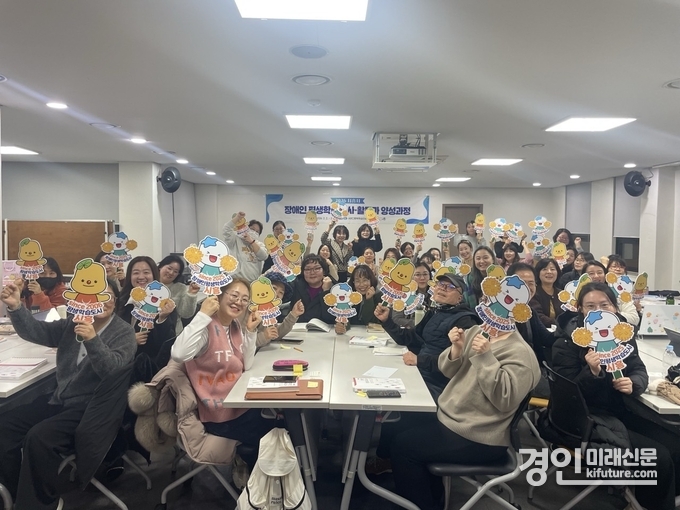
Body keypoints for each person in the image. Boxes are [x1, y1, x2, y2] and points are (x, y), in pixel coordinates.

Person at [0, 279, 136, 510]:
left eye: (107, 296)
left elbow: (112, 372)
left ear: (115, 301)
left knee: (39, 438)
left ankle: (42, 503)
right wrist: (15, 307)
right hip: (60, 399)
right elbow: (38, 332)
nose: (101, 302)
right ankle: (12, 494)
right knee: (6, 425)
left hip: (92, 408)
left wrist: (92, 340)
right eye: (93, 295)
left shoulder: (124, 332)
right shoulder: (73, 323)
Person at [388, 316, 540, 510]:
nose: (489, 311)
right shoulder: (477, 331)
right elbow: (447, 370)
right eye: (487, 303)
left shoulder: (521, 354)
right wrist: (456, 348)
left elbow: (505, 399)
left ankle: (421, 504)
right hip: (452, 418)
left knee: (403, 448)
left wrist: (485, 357)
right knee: (401, 425)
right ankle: (432, 500)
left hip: (480, 435)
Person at [551, 282, 679, 510]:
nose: (598, 311)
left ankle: (658, 501)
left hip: (619, 410)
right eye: (590, 306)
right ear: (580, 309)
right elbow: (567, 394)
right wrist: (591, 373)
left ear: (614, 307)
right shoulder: (568, 341)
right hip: (586, 419)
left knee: (675, 445)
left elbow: (638, 368)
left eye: (605, 304)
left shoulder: (621, 334)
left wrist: (634, 383)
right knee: (657, 457)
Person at [170, 278, 273, 469]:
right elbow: (178, 354)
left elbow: (247, 365)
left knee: (284, 418)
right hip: (219, 415)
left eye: (244, 299)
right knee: (276, 433)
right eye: (234, 295)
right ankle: (251, 476)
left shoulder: (234, 326)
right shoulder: (206, 328)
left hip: (240, 403)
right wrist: (202, 315)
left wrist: (250, 332)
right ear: (218, 295)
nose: (239, 302)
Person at [374, 273, 481, 399]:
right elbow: (410, 338)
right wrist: (387, 321)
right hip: (418, 372)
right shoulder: (435, 312)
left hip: (439, 385)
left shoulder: (465, 321)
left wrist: (419, 360)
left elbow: (458, 363)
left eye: (450, 287)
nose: (442, 288)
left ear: (460, 298)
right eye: (440, 284)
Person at [116, 256, 177, 367]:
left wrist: (162, 318)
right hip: (119, 365)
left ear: (154, 274)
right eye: (136, 273)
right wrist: (129, 340)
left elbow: (166, 343)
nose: (141, 277)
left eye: (146, 272)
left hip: (148, 367)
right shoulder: (120, 300)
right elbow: (109, 335)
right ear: (130, 276)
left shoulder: (165, 304)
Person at [507, 262, 557, 370]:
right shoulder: (500, 314)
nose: (527, 288)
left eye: (531, 283)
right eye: (521, 283)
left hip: (532, 368)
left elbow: (546, 338)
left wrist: (568, 325)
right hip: (511, 370)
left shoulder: (530, 312)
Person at [583, 261, 639, 325]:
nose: (596, 276)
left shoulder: (620, 292)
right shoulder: (577, 295)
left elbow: (634, 319)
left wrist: (609, 313)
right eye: (591, 273)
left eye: (599, 272)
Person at [158, 254, 199, 335]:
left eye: (175, 271)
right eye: (169, 268)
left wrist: (191, 294)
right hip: (148, 332)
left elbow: (186, 314)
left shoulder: (180, 288)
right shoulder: (149, 285)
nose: (171, 273)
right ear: (160, 266)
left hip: (172, 332)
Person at [222, 211, 268, 282]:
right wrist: (238, 218)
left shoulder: (259, 244)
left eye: (257, 231)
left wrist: (252, 242)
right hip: (236, 281)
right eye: (252, 229)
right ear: (247, 228)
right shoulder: (235, 239)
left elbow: (263, 256)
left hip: (253, 282)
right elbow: (226, 229)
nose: (254, 232)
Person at [288, 255, 335, 324]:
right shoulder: (295, 285)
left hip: (323, 329)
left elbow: (330, 318)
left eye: (317, 268)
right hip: (297, 328)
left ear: (324, 271)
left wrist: (326, 292)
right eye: (307, 269)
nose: (312, 272)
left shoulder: (334, 289)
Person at [391, 262, 432, 328]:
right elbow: (396, 318)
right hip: (410, 331)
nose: (422, 278)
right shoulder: (403, 294)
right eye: (417, 275)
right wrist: (416, 323)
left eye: (425, 274)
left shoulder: (436, 294)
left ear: (430, 276)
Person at [530, 258, 563, 328]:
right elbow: (538, 315)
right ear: (538, 273)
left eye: (552, 269)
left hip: (561, 331)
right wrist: (558, 324)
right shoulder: (533, 293)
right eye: (544, 269)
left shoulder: (562, 294)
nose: (549, 272)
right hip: (540, 331)